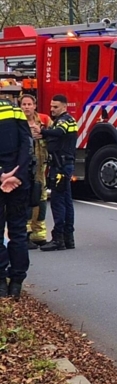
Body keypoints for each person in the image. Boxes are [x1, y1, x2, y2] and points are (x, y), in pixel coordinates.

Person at [0, 95, 33, 298]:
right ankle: (17, 283)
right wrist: (17, 174)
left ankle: (1, 283)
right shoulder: (15, 110)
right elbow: (27, 145)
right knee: (19, 233)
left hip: (2, 178)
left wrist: (2, 174)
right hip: (19, 182)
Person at [39, 94, 78, 252]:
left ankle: (58, 239)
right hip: (64, 164)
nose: (52, 109)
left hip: (61, 166)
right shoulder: (67, 120)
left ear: (64, 106)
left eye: (56, 107)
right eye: (51, 106)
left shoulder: (65, 120)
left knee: (58, 202)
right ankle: (68, 238)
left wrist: (42, 131)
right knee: (67, 202)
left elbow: (59, 133)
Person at [20, 94, 51, 249]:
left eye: (29, 104)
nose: (26, 107)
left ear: (35, 105)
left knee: (40, 197)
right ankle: (24, 234)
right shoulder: (17, 121)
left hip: (40, 165)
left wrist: (42, 133)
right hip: (24, 166)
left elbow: (53, 138)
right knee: (26, 198)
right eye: (24, 104)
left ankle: (38, 234)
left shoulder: (44, 120)